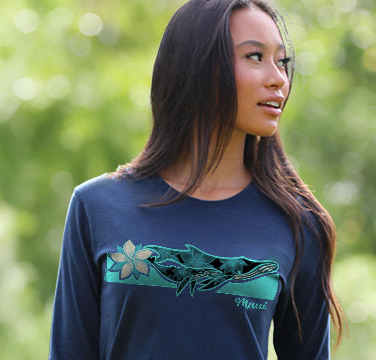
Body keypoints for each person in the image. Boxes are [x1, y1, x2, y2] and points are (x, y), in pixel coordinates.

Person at [49, 0, 339, 358]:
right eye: (254, 56)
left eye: (281, 61)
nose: (278, 78)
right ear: (200, 66)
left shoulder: (298, 224)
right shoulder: (97, 206)